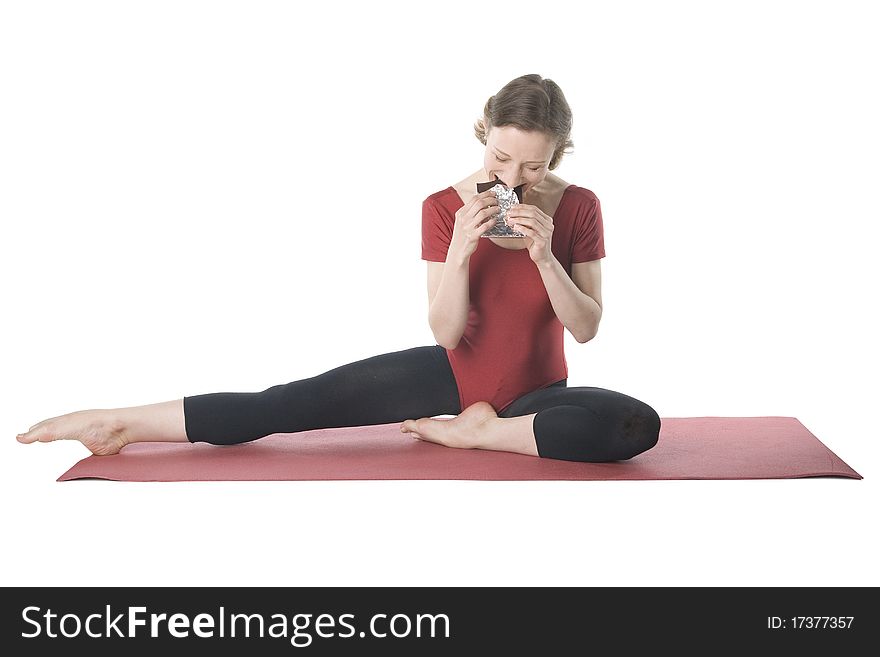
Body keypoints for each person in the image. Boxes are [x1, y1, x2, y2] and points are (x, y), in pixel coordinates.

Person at [16, 73, 661, 463]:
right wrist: (463, 249)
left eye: (533, 167)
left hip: (538, 395)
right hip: (449, 373)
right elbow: (444, 334)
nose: (513, 179)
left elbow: (586, 330)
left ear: (557, 155)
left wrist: (546, 255)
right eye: (500, 159)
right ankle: (120, 422)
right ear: (482, 133)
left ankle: (481, 436)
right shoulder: (442, 207)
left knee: (634, 426)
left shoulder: (579, 207)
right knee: (281, 406)